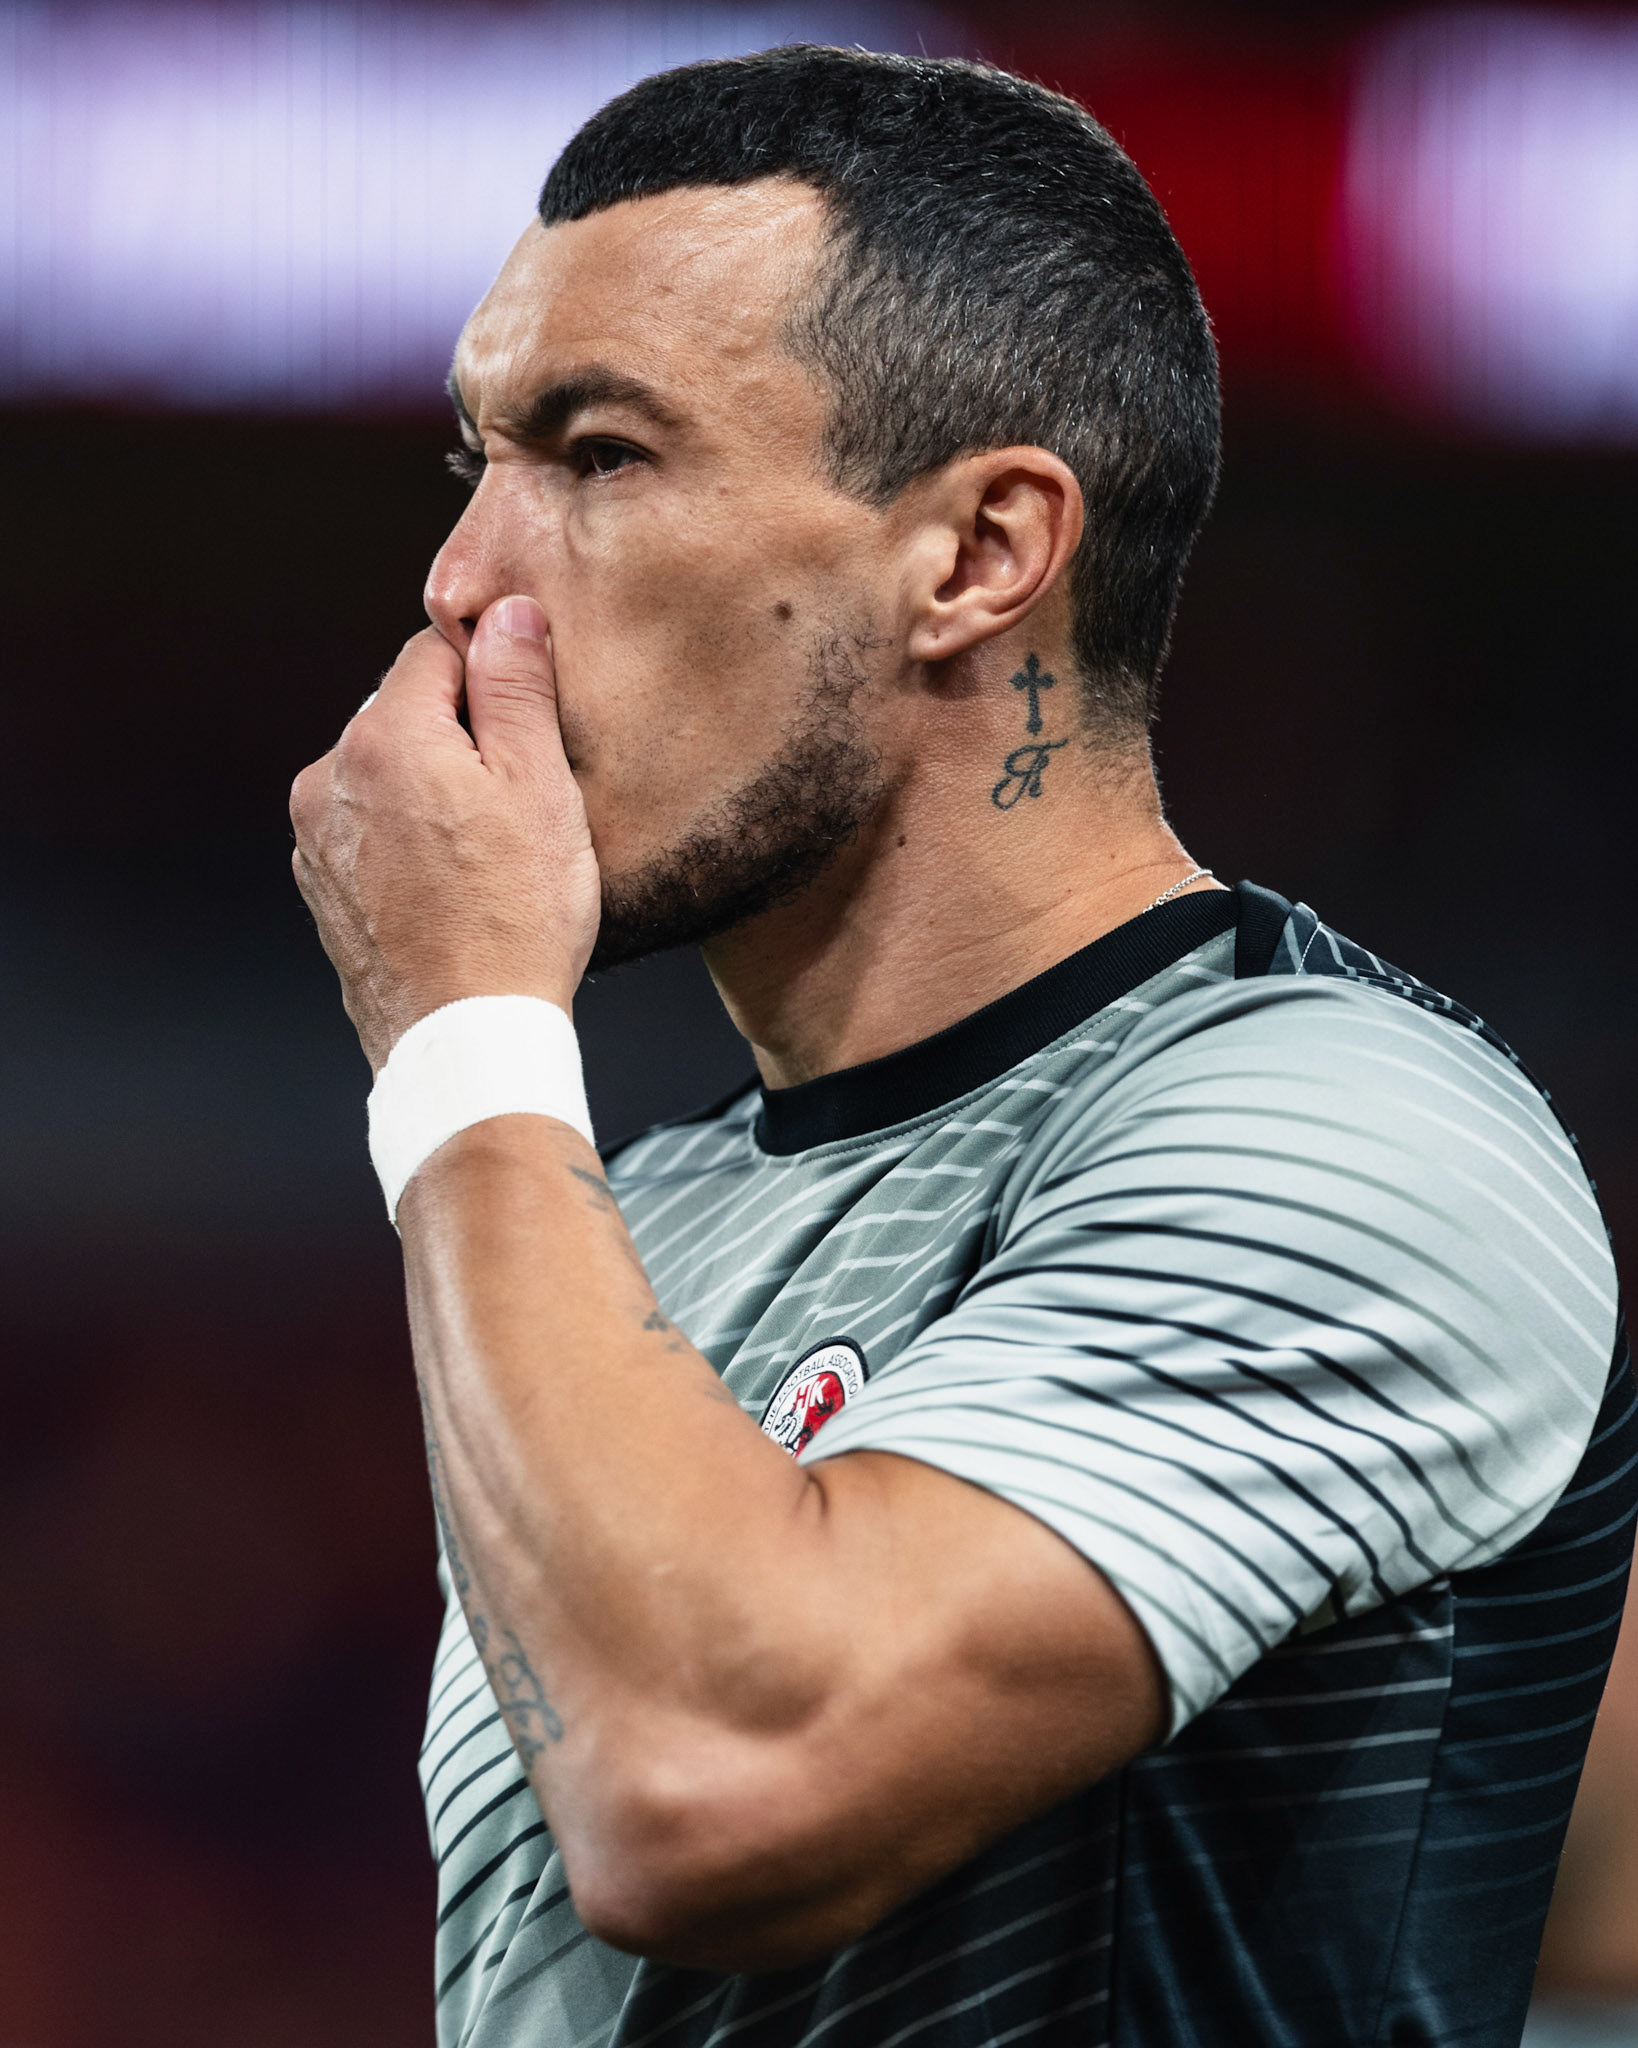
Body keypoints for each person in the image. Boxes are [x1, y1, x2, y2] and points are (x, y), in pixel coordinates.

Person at [289, 46, 1632, 2048]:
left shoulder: (1354, 1140)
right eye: (474, 461)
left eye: (597, 455)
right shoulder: (618, 1219)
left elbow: (703, 1786)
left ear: (981, 554)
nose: (466, 583)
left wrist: (466, 1036)